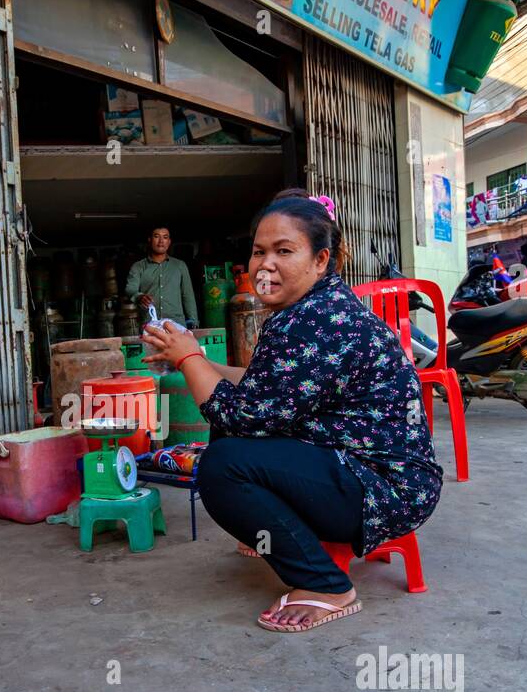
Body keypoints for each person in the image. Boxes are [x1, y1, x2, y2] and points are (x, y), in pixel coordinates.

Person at [140, 188, 442, 633]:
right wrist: (196, 359)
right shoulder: (315, 306)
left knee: (222, 466)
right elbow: (263, 386)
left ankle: (326, 586)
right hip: (368, 468)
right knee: (233, 436)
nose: (266, 264)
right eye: (260, 251)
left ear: (321, 260)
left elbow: (239, 414)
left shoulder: (314, 320)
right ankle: (271, 530)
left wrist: (189, 359)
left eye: (285, 251)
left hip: (385, 487)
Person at [125, 225, 198, 328]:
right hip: (150, 325)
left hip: (177, 325)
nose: (161, 241)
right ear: (150, 240)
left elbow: (188, 295)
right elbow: (130, 288)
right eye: (156, 236)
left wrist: (193, 321)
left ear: (169, 242)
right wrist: (139, 296)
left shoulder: (179, 265)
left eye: (165, 237)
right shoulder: (138, 266)